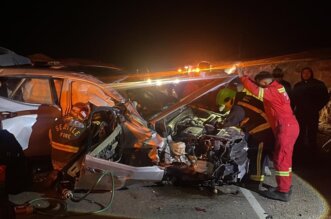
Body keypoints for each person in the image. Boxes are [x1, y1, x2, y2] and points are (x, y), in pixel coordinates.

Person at [237, 70, 299, 202]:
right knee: (282, 159)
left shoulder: (273, 91)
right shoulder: (275, 87)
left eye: (261, 85)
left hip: (286, 127)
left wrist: (242, 78)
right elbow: (258, 87)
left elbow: (255, 90)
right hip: (287, 126)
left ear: (265, 82)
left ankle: (283, 192)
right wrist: (248, 77)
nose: (261, 87)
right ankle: (285, 186)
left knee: (281, 159)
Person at [216, 87, 274, 191]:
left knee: (257, 156)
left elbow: (232, 120)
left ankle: (255, 183)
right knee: (253, 154)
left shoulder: (238, 107)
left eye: (226, 105)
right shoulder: (243, 99)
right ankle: (251, 178)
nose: (227, 108)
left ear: (229, 99)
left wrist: (219, 125)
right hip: (264, 129)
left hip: (263, 131)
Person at [293, 67, 329, 152]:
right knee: (300, 131)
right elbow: (293, 98)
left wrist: (317, 107)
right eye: (304, 73)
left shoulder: (318, 84)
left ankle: (312, 148)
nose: (306, 74)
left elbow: (325, 97)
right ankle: (300, 147)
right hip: (300, 112)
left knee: (312, 130)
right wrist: (292, 109)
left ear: (311, 73)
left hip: (312, 112)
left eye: (308, 72)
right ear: (301, 74)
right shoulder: (298, 85)